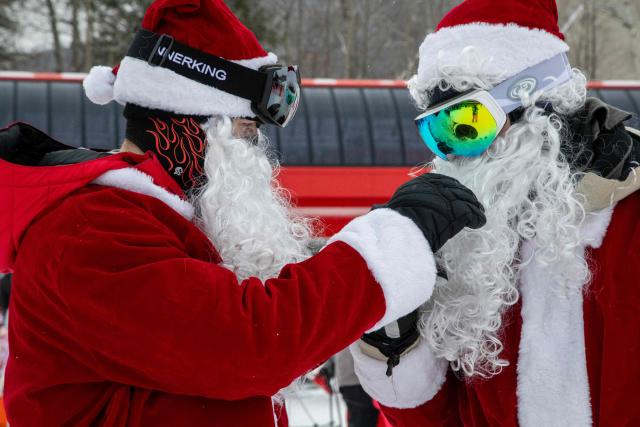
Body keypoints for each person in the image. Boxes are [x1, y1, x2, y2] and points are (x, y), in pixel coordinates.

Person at [0, 1, 486, 426]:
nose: (259, 152)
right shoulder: (90, 232)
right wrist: (394, 241)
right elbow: (250, 344)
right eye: (247, 129)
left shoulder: (159, 226)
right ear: (197, 124)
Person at [349, 1, 640, 426]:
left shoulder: (626, 222)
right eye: (436, 131)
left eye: (467, 125)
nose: (453, 153)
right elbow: (435, 417)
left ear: (538, 108)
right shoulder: (459, 241)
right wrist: (396, 346)